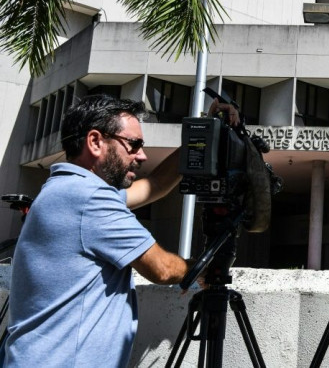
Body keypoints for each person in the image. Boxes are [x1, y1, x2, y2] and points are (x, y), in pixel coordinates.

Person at [1, 94, 202, 367]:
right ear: (95, 141)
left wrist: (198, 139)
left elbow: (155, 184)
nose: (142, 155)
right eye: (134, 144)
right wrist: (200, 269)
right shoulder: (90, 199)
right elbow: (163, 269)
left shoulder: (66, 190)